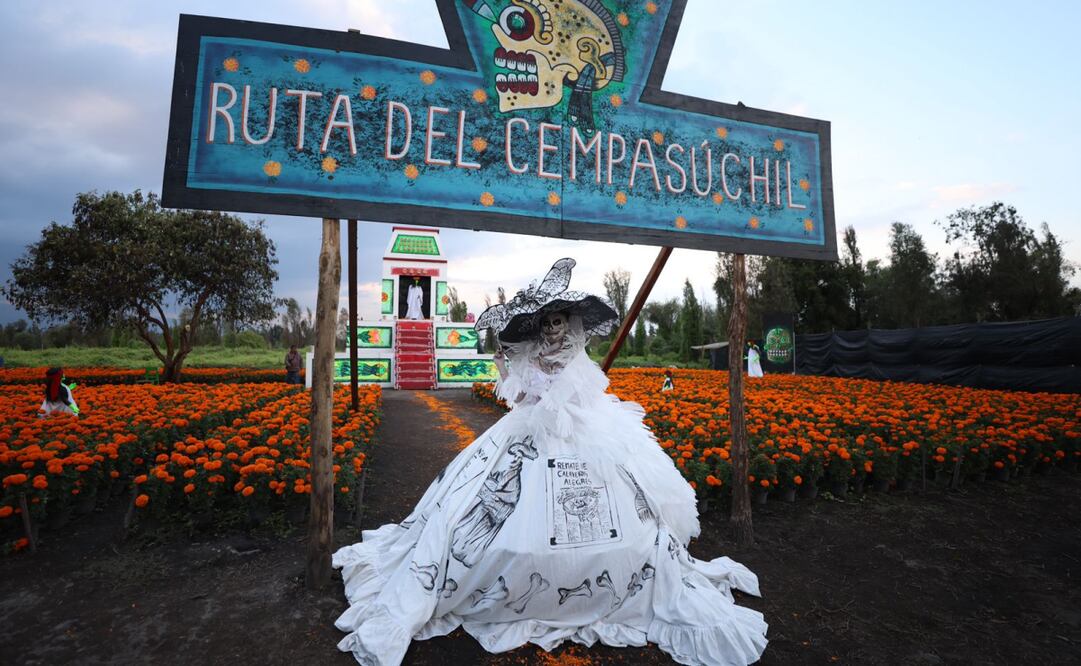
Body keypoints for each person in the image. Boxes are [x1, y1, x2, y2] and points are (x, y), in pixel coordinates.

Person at [333, 258, 767, 666]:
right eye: (548, 324)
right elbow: (520, 399)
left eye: (560, 322)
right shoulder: (530, 359)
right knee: (474, 511)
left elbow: (580, 395)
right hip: (528, 436)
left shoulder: (577, 360)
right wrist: (507, 368)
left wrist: (554, 397)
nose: (555, 331)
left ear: (571, 324)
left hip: (581, 436)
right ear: (539, 328)